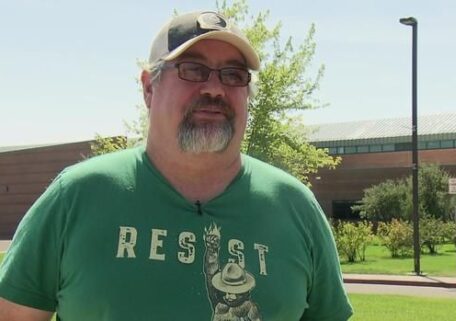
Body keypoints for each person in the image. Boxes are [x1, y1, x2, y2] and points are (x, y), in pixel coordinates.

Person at [0, 10, 353, 321]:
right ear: (148, 87)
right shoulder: (75, 197)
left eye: (233, 74)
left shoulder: (295, 207)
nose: (214, 88)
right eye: (193, 69)